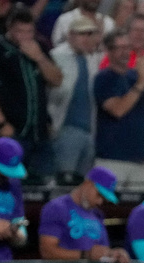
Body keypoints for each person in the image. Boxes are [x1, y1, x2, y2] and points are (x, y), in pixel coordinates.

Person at [0, 6, 62, 180]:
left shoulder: (40, 48)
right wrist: (1, 124)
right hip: (12, 133)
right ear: (10, 28)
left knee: (43, 184)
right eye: (20, 31)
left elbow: (56, 79)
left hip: (39, 134)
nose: (25, 36)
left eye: (29, 31)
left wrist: (39, 58)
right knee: (8, 183)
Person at [93, 29, 144, 188]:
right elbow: (118, 110)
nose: (125, 52)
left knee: (138, 208)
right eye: (120, 48)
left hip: (138, 158)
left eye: (127, 47)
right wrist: (142, 80)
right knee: (107, 206)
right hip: (112, 158)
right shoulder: (104, 78)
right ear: (109, 51)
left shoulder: (134, 76)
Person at [48, 15, 102, 178]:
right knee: (65, 180)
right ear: (70, 35)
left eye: (90, 35)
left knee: (83, 183)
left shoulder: (92, 60)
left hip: (88, 130)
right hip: (65, 128)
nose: (86, 39)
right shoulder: (56, 56)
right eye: (82, 34)